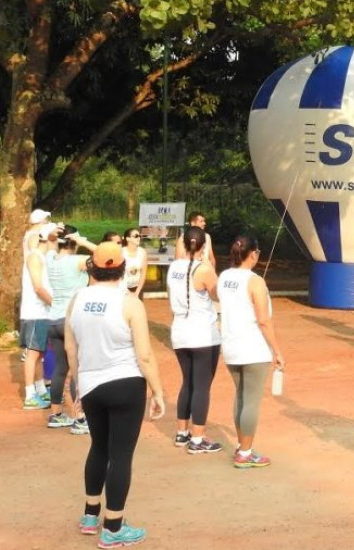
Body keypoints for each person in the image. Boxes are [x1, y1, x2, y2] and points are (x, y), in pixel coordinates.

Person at [65, 241, 165, 547]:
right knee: (121, 454)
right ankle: (113, 527)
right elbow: (145, 355)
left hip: (91, 384)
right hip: (125, 383)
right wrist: (158, 391)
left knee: (99, 447)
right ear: (123, 269)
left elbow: (71, 347)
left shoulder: (77, 298)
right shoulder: (130, 302)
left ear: (92, 267)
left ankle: (90, 515)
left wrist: (78, 383)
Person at [218, 235, 285, 468]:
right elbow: (264, 320)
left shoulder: (224, 276)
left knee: (241, 395)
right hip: (254, 348)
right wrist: (277, 350)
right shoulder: (255, 281)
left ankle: (241, 446)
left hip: (231, 347)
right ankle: (245, 453)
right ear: (254, 254)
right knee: (251, 401)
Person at [167, 226, 222, 454]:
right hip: (203, 333)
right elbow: (217, 294)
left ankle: (182, 432)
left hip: (180, 330)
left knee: (187, 382)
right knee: (201, 386)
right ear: (203, 245)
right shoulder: (204, 268)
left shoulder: (173, 268)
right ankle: (198, 439)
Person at [45, 227, 95, 433]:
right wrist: (83, 241)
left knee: (60, 368)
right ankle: (80, 417)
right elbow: (107, 254)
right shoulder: (78, 261)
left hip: (52, 319)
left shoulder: (50, 258)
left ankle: (56, 414)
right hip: (72, 320)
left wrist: (52, 236)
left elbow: (48, 243)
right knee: (77, 369)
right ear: (73, 243)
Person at [20, 223, 55, 409]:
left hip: (42, 312)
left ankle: (40, 389)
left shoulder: (42, 257)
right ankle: (30, 395)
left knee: (40, 352)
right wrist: (55, 304)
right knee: (32, 353)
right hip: (35, 312)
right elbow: (38, 287)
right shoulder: (35, 257)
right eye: (56, 238)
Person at [122, 227, 148, 300]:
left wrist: (137, 292)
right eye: (136, 236)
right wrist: (126, 291)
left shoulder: (142, 252)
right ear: (128, 238)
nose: (138, 238)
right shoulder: (121, 252)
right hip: (123, 288)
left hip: (137, 287)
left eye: (139, 236)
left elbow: (143, 274)